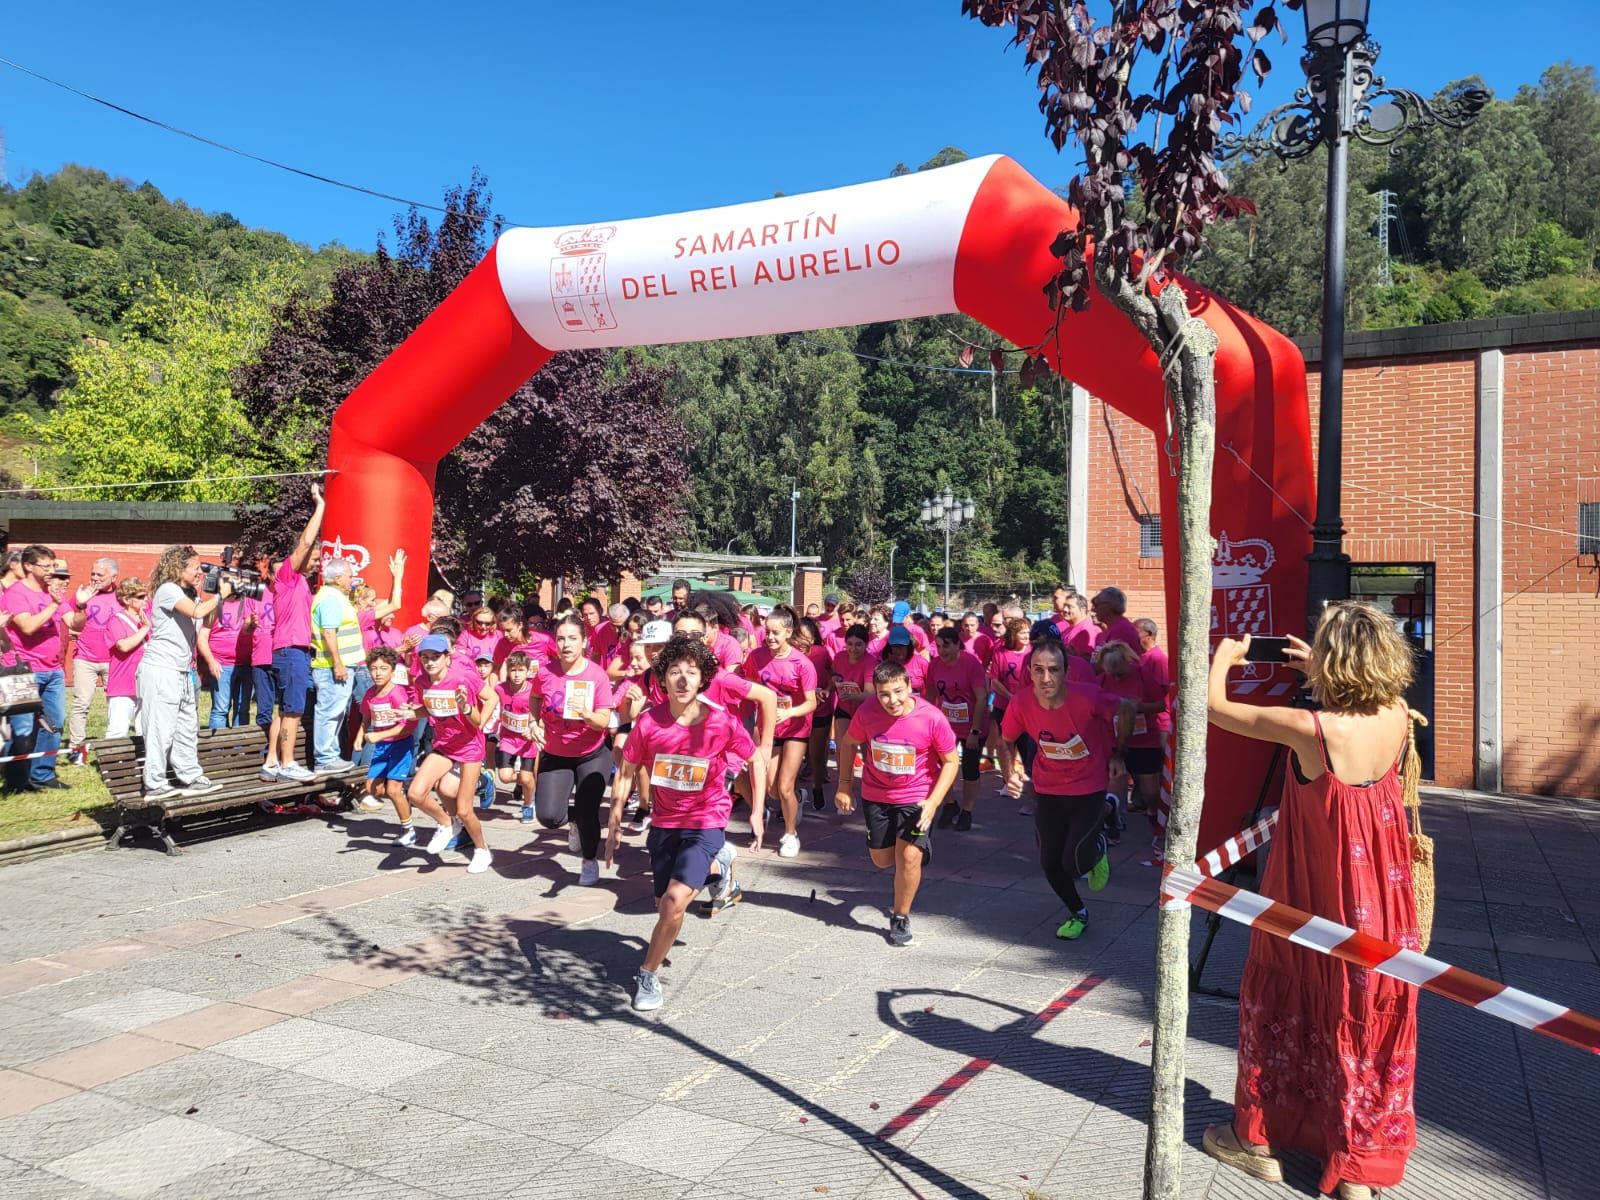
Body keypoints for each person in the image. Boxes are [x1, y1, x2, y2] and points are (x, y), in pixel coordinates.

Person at [1202, 607, 1420, 1200]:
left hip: (1312, 893)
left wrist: (1228, 654)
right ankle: (1354, 1168)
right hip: (1380, 893)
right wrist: (1321, 667)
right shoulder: (1398, 715)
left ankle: (1259, 1139)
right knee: (1362, 1014)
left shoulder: (1313, 730)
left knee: (1288, 997)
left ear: (1334, 659)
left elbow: (1215, 709)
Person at [607, 633, 762, 1011]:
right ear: (662, 679)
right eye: (674, 671)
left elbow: (754, 758)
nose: (682, 679)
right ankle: (718, 867)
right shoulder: (648, 724)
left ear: (702, 679)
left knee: (673, 903)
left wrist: (757, 812)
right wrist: (613, 824)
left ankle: (647, 974)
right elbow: (626, 770)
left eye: (691, 672)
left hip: (706, 820)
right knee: (664, 901)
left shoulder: (721, 722)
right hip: (664, 824)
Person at [1001, 639, 1132, 940]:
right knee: (1050, 862)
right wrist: (1010, 772)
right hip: (1048, 788)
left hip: (1088, 786)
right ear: (1029, 673)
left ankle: (1100, 837)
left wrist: (1118, 753)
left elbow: (1126, 708)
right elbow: (1006, 740)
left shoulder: (1087, 698)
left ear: (1066, 672)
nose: (1046, 678)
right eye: (1038, 670)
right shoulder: (1021, 703)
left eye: (1053, 670)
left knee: (1073, 862)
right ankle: (1078, 912)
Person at [834, 658, 959, 947]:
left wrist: (933, 801)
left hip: (916, 798)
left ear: (910, 687)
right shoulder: (867, 713)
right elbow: (849, 743)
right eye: (884, 694)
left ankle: (900, 916)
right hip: (876, 795)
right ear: (875, 693)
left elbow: (951, 762)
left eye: (898, 692)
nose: (892, 700)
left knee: (908, 858)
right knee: (882, 860)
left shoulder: (931, 717)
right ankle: (910, 855)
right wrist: (844, 786)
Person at [138, 546, 230, 799]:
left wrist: (216, 596)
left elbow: (204, 623)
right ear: (178, 569)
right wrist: (220, 596)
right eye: (196, 567)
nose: (200, 572)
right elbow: (197, 612)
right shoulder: (168, 590)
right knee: (161, 728)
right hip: (161, 669)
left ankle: (190, 776)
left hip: (183, 672)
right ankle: (155, 783)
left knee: (187, 728)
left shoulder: (192, 596)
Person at [532, 613, 617, 884]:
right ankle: (574, 821)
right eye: (560, 638)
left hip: (592, 753)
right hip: (556, 753)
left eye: (572, 638)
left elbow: (604, 719)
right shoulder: (545, 672)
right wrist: (534, 723)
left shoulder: (597, 675)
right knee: (548, 816)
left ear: (584, 641)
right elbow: (535, 697)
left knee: (588, 810)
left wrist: (589, 716)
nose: (566, 644)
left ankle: (589, 861)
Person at [408, 633, 495, 873]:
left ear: (447, 658)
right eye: (425, 657)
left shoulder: (463, 678)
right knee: (416, 793)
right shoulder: (422, 682)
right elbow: (427, 709)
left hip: (469, 747)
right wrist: (408, 714)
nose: (430, 662)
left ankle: (482, 850)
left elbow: (491, 698)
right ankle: (447, 823)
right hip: (445, 745)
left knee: (465, 808)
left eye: (436, 657)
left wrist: (473, 714)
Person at [2, 545, 82, 791]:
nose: (50, 571)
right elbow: (27, 627)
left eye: (52, 566)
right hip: (22, 670)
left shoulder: (52, 592)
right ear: (28, 566)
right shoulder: (16, 593)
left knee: (55, 722)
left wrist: (81, 606)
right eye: (45, 566)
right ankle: (16, 780)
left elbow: (75, 623)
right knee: (23, 727)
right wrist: (53, 605)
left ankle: (43, 774)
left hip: (53, 669)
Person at [740, 606, 817, 858]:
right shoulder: (756, 657)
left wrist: (789, 712)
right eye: (767, 632)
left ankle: (791, 834)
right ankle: (798, 797)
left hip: (795, 727)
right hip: (768, 728)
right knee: (772, 787)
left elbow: (811, 702)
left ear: (788, 633)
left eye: (775, 633)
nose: (770, 637)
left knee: (784, 786)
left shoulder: (802, 663)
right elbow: (750, 689)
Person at [262, 484, 326, 783]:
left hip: (293, 651)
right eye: (315, 557)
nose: (317, 561)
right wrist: (320, 507)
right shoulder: (288, 576)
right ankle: (288, 763)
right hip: (290, 651)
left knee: (286, 709)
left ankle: (272, 762)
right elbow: (306, 541)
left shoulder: (301, 584)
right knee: (293, 710)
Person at [926, 626, 990, 830]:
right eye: (938, 646)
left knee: (970, 769)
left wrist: (974, 731)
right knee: (940, 765)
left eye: (946, 646)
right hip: (946, 725)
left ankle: (967, 810)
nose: (941, 651)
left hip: (972, 724)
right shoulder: (935, 665)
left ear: (956, 645)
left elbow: (981, 698)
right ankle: (950, 803)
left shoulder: (971, 663)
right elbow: (930, 695)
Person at [354, 646, 418, 831]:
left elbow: (408, 725)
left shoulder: (397, 693)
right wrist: (360, 737)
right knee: (373, 788)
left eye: (383, 669)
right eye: (373, 669)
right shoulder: (370, 694)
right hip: (382, 746)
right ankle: (404, 798)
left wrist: (379, 735)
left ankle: (408, 829)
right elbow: (366, 717)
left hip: (400, 745)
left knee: (393, 790)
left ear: (392, 670)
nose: (377, 673)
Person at [309, 558, 363, 773]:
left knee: (336, 712)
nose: (352, 579)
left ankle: (330, 754)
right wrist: (338, 664)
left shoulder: (334, 597)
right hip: (331, 667)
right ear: (338, 578)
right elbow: (329, 633)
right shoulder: (330, 599)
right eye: (350, 575)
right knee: (329, 712)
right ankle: (325, 758)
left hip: (337, 666)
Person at [66, 557, 120, 762]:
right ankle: (76, 751)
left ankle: (113, 748)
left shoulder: (121, 597)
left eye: (100, 574)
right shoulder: (83, 595)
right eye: (93, 574)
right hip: (85, 658)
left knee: (116, 704)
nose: (95, 578)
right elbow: (69, 621)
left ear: (114, 577)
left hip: (113, 659)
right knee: (81, 703)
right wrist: (80, 606)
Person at [199, 584, 256, 729]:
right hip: (222, 665)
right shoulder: (215, 605)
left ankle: (239, 749)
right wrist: (211, 662)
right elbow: (202, 638)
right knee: (220, 710)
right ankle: (218, 750)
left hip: (245, 664)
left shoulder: (248, 603)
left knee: (242, 710)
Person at [104, 578, 151, 739]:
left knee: (145, 729)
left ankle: (143, 762)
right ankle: (114, 763)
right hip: (123, 683)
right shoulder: (116, 620)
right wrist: (145, 629)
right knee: (118, 729)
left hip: (146, 682)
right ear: (126, 600)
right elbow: (123, 646)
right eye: (140, 596)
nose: (146, 599)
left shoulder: (147, 618)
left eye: (146, 596)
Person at [987, 616, 1029, 786]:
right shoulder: (1001, 652)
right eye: (1023, 633)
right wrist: (1011, 697)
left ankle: (1028, 777)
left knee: (1026, 744)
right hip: (1004, 705)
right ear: (1014, 634)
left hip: (1027, 707)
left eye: (1028, 632)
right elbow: (994, 681)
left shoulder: (1032, 652)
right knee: (1005, 743)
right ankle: (1008, 778)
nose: (1027, 636)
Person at [798, 616, 834, 813]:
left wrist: (828, 689)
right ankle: (793, 793)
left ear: (813, 638)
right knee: (795, 755)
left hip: (821, 709)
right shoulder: (790, 655)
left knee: (816, 755)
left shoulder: (821, 653)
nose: (801, 642)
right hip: (798, 712)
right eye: (797, 637)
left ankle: (817, 788)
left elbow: (834, 674)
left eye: (806, 638)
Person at [1090, 587, 1144, 659]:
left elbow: (1115, 665)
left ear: (1108, 606)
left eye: (1096, 604)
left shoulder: (1122, 630)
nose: (1093, 609)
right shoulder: (1111, 628)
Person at [881, 626, 927, 691]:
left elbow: (931, 687)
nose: (898, 650)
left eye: (902, 646)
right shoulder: (886, 664)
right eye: (895, 646)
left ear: (909, 646)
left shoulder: (921, 663)